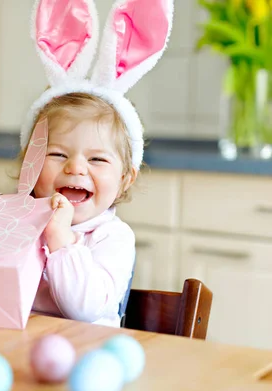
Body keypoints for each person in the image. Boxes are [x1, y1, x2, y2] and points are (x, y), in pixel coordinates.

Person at [19, 0, 174, 327]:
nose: (75, 168)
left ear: (125, 179)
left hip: (84, 358)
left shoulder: (112, 238)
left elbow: (84, 310)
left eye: (97, 159)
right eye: (58, 154)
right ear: (29, 164)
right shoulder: (15, 222)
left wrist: (60, 238)